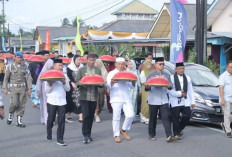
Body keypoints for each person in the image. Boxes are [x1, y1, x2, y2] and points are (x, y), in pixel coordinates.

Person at [145, 57, 174, 142]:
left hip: (164, 100)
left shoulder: (167, 75)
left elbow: (170, 87)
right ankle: (151, 134)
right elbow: (147, 88)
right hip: (153, 99)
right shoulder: (150, 75)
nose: (162, 66)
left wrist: (169, 85)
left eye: (163, 64)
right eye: (160, 64)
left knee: (166, 117)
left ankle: (169, 135)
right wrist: (147, 86)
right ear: (155, 65)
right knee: (153, 118)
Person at [107, 57, 135, 143]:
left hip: (126, 97)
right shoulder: (111, 73)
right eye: (119, 64)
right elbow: (108, 86)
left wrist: (134, 81)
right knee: (116, 117)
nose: (120, 65)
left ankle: (123, 130)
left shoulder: (127, 73)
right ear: (115, 64)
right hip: (116, 98)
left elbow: (131, 86)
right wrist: (111, 82)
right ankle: (116, 135)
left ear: (124, 65)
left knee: (130, 115)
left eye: (122, 64)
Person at [76, 53, 102, 144]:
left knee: (91, 116)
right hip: (84, 96)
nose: (91, 62)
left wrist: (100, 84)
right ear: (87, 60)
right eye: (90, 60)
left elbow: (101, 83)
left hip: (94, 96)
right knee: (86, 115)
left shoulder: (98, 71)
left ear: (95, 61)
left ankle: (89, 134)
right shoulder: (81, 70)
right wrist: (82, 83)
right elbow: (77, 82)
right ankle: (85, 135)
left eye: (93, 60)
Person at [3, 52, 32, 127]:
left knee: (22, 104)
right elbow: (6, 78)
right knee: (14, 103)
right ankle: (11, 114)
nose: (19, 59)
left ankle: (19, 122)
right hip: (14, 88)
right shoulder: (10, 66)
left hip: (22, 88)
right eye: (18, 57)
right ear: (15, 57)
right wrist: (5, 88)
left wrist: (29, 88)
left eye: (21, 58)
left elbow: (28, 77)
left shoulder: (25, 67)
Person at [45, 59, 70, 146]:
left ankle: (60, 139)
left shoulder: (65, 76)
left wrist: (64, 82)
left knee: (61, 121)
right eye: (59, 65)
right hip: (52, 101)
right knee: (51, 120)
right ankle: (49, 133)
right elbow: (47, 91)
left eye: (61, 65)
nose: (61, 67)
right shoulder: (49, 76)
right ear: (54, 66)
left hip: (62, 101)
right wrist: (51, 84)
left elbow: (68, 89)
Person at [168, 62, 195, 140]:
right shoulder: (171, 78)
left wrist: (192, 102)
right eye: (180, 68)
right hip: (175, 101)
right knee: (175, 118)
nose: (181, 70)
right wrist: (179, 94)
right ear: (175, 69)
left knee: (187, 116)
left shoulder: (188, 78)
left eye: (183, 68)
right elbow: (169, 91)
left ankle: (179, 129)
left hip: (185, 100)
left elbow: (190, 90)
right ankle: (176, 134)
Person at [36, 50, 54, 125]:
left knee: (50, 103)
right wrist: (38, 90)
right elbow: (39, 78)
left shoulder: (51, 67)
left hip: (51, 87)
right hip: (43, 88)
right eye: (45, 55)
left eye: (48, 55)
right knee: (44, 103)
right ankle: (45, 119)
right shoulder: (40, 65)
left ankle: (48, 118)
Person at [66, 55, 83, 123]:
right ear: (74, 60)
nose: (79, 61)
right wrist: (72, 82)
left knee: (79, 101)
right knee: (70, 100)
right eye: (77, 60)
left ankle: (80, 116)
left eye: (79, 59)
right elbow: (68, 76)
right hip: (71, 86)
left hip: (79, 86)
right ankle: (69, 115)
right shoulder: (69, 67)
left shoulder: (82, 67)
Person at [219, 61, 232, 138]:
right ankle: (228, 131)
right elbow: (221, 88)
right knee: (227, 114)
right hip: (226, 98)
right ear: (227, 68)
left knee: (229, 115)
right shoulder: (223, 76)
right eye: (231, 67)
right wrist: (222, 99)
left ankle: (224, 124)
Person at [140, 59, 154, 124]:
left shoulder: (153, 71)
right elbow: (142, 81)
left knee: (152, 103)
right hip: (146, 89)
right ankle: (145, 117)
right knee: (146, 103)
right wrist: (147, 85)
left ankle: (151, 117)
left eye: (150, 64)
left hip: (153, 89)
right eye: (147, 65)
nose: (148, 66)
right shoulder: (143, 72)